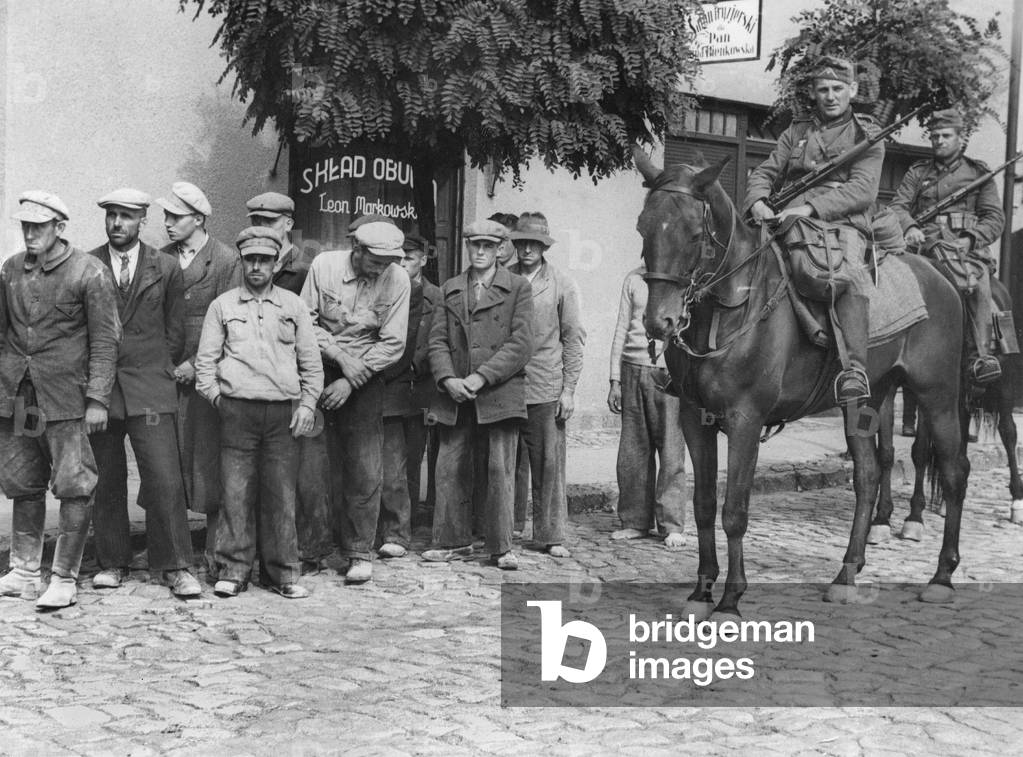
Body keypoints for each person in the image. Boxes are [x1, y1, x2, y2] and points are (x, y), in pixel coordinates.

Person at [0, 191, 121, 608]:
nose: (30, 233)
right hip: (22, 395)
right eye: (26, 226)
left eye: (39, 226)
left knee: (73, 484)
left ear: (60, 228)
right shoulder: (11, 270)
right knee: (24, 479)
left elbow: (106, 340)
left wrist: (98, 399)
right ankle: (24, 570)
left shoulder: (90, 271)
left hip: (66, 398)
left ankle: (64, 576)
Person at [744, 55, 883, 404]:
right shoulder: (796, 132)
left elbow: (862, 190)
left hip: (842, 225)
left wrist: (810, 207)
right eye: (823, 89)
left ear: (852, 89)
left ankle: (854, 370)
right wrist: (758, 200)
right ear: (814, 92)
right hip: (788, 220)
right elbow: (764, 172)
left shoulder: (867, 135)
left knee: (846, 274)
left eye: (838, 88)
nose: (831, 96)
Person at [194, 227, 323, 598]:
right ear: (241, 261)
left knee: (281, 494)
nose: (256, 267)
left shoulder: (293, 305)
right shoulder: (223, 306)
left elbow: (310, 362)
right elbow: (206, 363)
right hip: (237, 412)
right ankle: (233, 571)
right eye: (250, 259)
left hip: (282, 413)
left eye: (264, 260)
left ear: (275, 262)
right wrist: (221, 399)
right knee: (235, 493)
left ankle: (281, 573)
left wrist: (309, 404)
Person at [87, 188, 201, 597]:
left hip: (151, 388)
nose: (117, 223)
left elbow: (176, 334)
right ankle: (113, 562)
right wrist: (96, 388)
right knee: (107, 477)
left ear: (142, 221)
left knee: (165, 478)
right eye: (111, 215)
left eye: (126, 216)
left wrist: (155, 367)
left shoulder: (166, 266)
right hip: (103, 390)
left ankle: (175, 566)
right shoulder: (88, 264)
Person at [301, 221, 411, 584]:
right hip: (319, 369)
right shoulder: (324, 266)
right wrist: (338, 358)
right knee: (313, 465)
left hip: (366, 377)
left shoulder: (398, 279)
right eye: (376, 261)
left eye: (388, 262)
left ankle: (358, 552)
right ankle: (312, 549)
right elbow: (305, 322)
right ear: (357, 250)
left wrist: (351, 377)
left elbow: (393, 343)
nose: (382, 269)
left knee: (364, 468)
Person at [422, 219, 534, 570]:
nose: (481, 252)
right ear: (467, 247)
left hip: (498, 393)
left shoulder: (517, 288)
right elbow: (436, 341)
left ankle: (501, 547)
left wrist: (481, 378)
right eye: (474, 245)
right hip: (455, 395)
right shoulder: (450, 288)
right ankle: (452, 541)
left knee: (500, 469)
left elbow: (521, 344)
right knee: (450, 466)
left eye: (488, 245)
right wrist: (447, 379)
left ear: (501, 249)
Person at [157, 182, 241, 581]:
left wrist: (195, 364)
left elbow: (230, 321)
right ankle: (173, 555)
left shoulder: (225, 261)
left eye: (176, 216)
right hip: (164, 378)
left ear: (199, 219)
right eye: (167, 215)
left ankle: (216, 551)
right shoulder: (160, 259)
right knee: (167, 464)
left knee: (209, 464)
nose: (168, 223)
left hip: (208, 379)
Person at [246, 191, 331, 574]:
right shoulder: (246, 263)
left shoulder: (308, 268)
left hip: (298, 383)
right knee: (265, 473)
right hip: (257, 385)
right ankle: (265, 552)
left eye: (269, 222)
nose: (261, 228)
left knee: (308, 473)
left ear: (288, 225)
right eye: (256, 222)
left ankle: (310, 550)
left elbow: (319, 326)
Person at [889, 108, 1005, 385]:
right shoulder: (918, 173)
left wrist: (970, 238)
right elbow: (898, 207)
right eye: (935, 136)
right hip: (925, 248)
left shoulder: (978, 173)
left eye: (945, 136)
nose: (939, 141)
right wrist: (911, 227)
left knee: (975, 284)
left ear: (960, 138)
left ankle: (980, 357)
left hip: (964, 252)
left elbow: (994, 218)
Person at [508, 213, 585, 558]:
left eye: (533, 244)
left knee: (548, 463)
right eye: (521, 242)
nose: (526, 249)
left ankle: (550, 534)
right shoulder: (504, 278)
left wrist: (568, 389)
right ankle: (505, 527)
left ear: (543, 247)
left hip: (545, 382)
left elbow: (572, 339)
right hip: (505, 383)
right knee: (505, 460)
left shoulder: (561, 283)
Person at [607, 264, 687, 549]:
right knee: (633, 450)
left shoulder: (682, 279)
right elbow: (621, 328)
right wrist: (615, 379)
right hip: (632, 370)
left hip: (670, 373)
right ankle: (634, 521)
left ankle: (672, 525)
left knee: (671, 450)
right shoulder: (633, 279)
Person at [377, 253, 425, 559]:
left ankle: (396, 532)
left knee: (393, 467)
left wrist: (367, 371)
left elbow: (404, 343)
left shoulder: (409, 288)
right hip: (353, 381)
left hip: (390, 386)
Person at [405, 234, 442, 512]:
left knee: (418, 448)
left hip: (423, 382)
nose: (403, 263)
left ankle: (422, 510)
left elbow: (439, 340)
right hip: (394, 380)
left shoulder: (437, 296)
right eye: (400, 258)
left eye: (409, 258)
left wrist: (417, 364)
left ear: (423, 260)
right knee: (398, 452)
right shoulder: (391, 288)